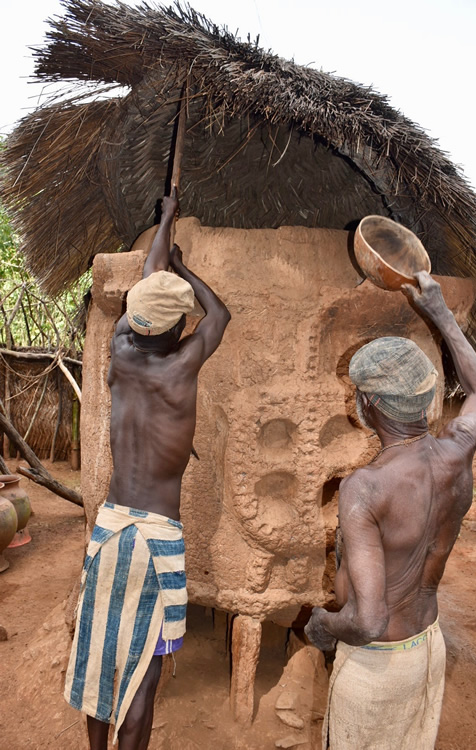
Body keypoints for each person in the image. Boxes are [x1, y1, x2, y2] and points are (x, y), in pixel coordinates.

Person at [64, 188, 231, 750]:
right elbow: (221, 313)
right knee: (143, 678)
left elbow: (150, 277)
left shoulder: (121, 349)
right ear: (175, 328)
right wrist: (185, 266)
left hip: (109, 531)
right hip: (157, 542)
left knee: (99, 666)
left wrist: (164, 222)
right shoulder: (182, 367)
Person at [305, 271, 476, 750]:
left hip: (376, 668)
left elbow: (368, 621)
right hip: (426, 649)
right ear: (426, 398)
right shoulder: (458, 450)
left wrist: (322, 625)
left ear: (367, 404)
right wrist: (439, 311)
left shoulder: (366, 488)